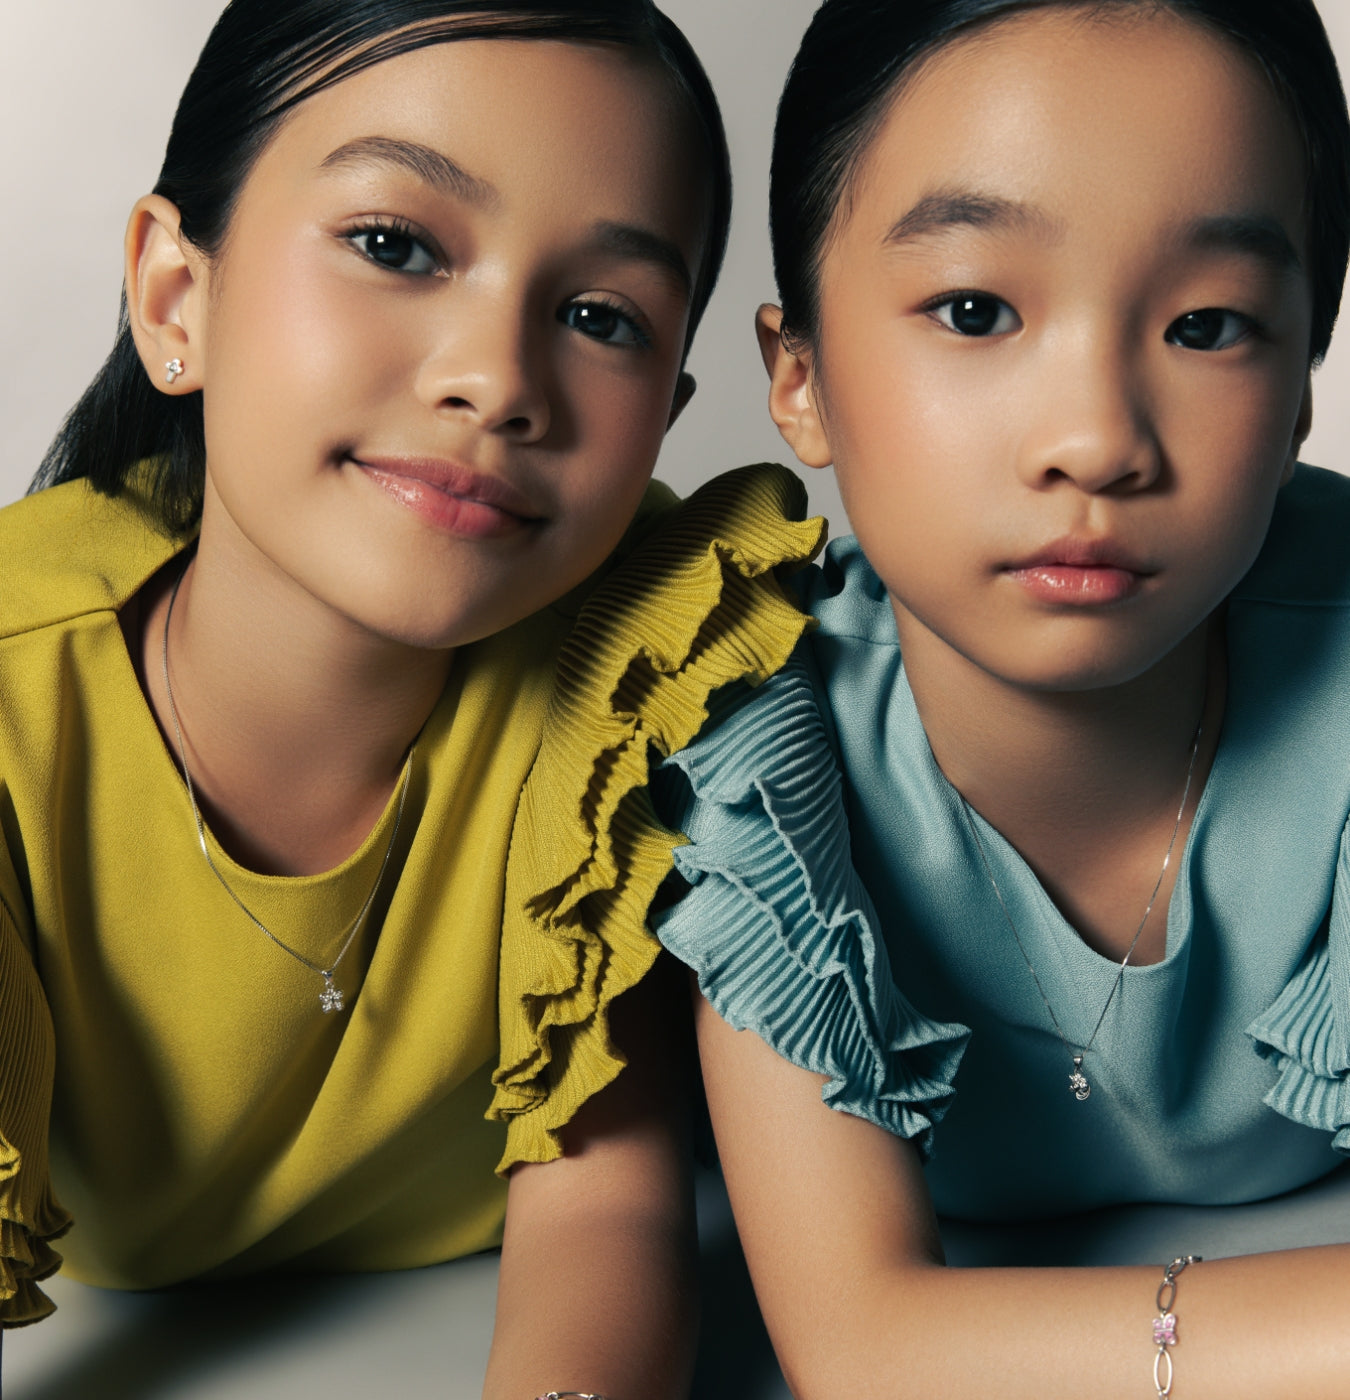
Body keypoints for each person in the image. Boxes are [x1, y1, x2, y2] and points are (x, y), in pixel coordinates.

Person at [0, 2, 823, 1395]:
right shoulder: (24, 716)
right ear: (173, 298)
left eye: (597, 317)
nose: (496, 381)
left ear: (669, 415)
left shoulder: (625, 682)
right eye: (394, 246)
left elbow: (607, 1197)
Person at [652, 0, 1350, 1394]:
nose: (1094, 436)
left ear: (1296, 400)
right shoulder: (753, 747)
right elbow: (864, 1348)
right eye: (973, 310)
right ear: (798, 379)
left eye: (1208, 324)